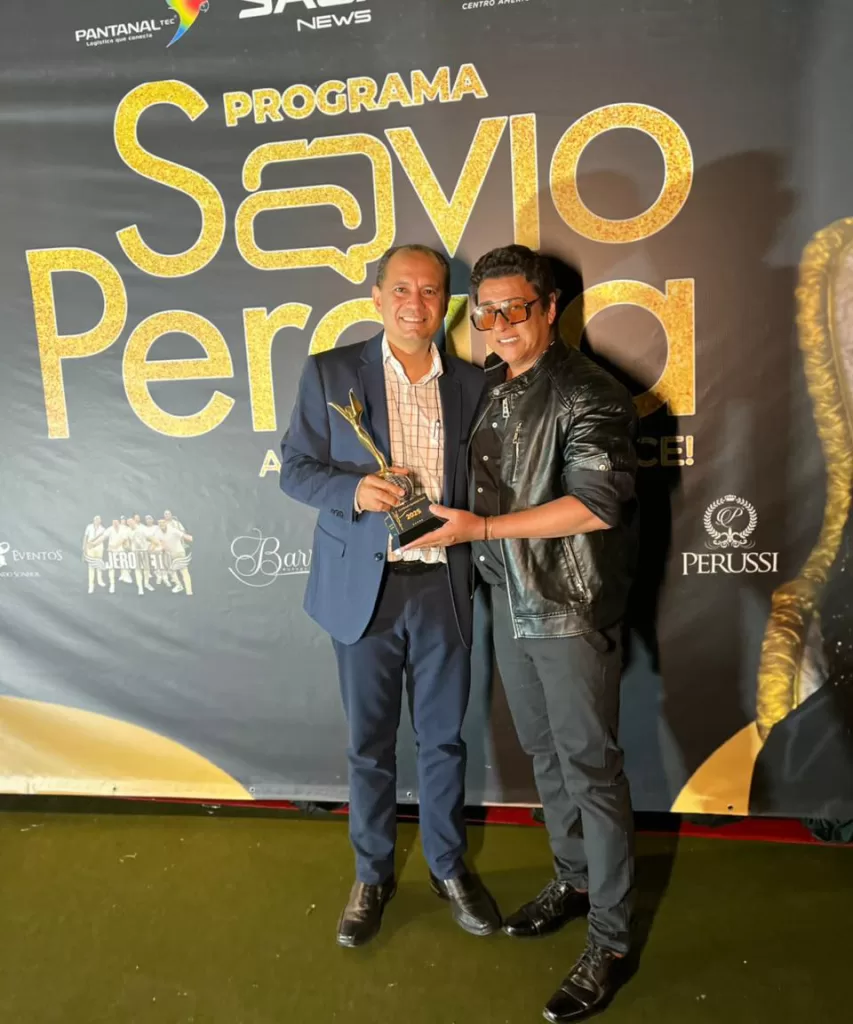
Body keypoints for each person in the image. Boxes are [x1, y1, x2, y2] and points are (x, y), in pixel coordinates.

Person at [403, 244, 639, 1022]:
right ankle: (574, 881)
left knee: (589, 769)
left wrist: (480, 529)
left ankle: (610, 941)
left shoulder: (589, 391)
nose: (500, 324)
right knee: (544, 754)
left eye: (516, 309)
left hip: (567, 606)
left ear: (550, 308)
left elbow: (597, 504)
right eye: (487, 311)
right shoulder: (491, 385)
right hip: (508, 599)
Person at [279, 243, 500, 949]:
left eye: (430, 291)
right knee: (369, 745)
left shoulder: (475, 384)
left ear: (446, 303)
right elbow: (294, 468)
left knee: (443, 741)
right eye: (401, 289)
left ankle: (447, 866)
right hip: (362, 592)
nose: (415, 304)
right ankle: (372, 874)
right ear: (376, 297)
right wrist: (353, 490)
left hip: (443, 586)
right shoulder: (330, 372)